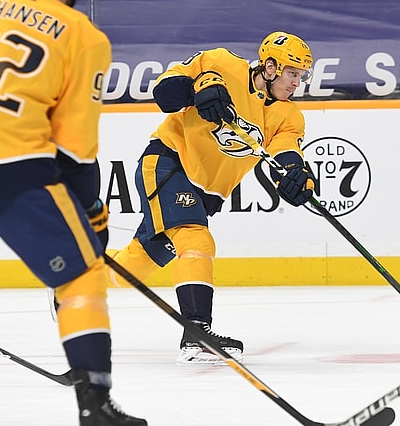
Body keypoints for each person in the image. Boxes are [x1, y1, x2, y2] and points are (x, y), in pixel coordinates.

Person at [0, 0, 146, 425]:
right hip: (11, 169)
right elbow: (73, 152)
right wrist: (91, 210)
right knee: (80, 277)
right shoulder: (83, 34)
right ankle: (96, 405)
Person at [110, 32, 316, 364]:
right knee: (197, 240)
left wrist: (297, 177)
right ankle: (196, 332)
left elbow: (286, 153)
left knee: (133, 267)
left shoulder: (289, 116)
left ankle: (76, 279)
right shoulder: (222, 63)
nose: (297, 82)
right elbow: (164, 92)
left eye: (301, 75)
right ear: (270, 66)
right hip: (168, 162)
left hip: (205, 194)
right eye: (292, 72)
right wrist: (200, 87)